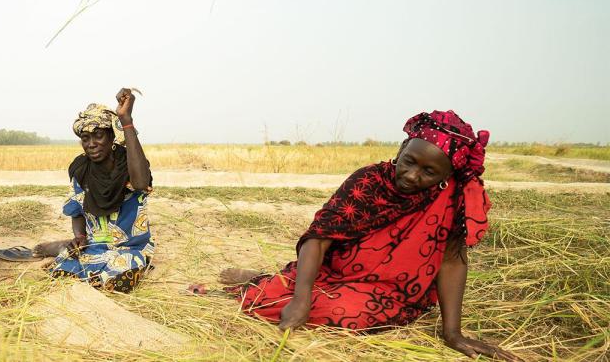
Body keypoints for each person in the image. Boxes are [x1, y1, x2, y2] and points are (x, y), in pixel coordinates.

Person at [221, 111, 519, 361]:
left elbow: (452, 261)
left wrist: (453, 334)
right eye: (410, 161)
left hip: (392, 291)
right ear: (402, 149)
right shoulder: (368, 180)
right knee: (285, 297)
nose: (413, 176)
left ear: (447, 176)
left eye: (429, 172)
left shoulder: (454, 200)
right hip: (335, 270)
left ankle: (277, 281)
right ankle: (268, 280)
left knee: (346, 314)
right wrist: (301, 298)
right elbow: (319, 237)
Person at [45, 88, 154, 293]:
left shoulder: (129, 164)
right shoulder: (80, 169)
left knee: (119, 281)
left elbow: (140, 183)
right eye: (85, 138)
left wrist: (125, 120)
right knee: (61, 273)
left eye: (98, 135)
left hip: (129, 249)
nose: (92, 144)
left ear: (112, 136)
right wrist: (79, 236)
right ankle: (61, 247)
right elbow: (76, 210)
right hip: (94, 248)